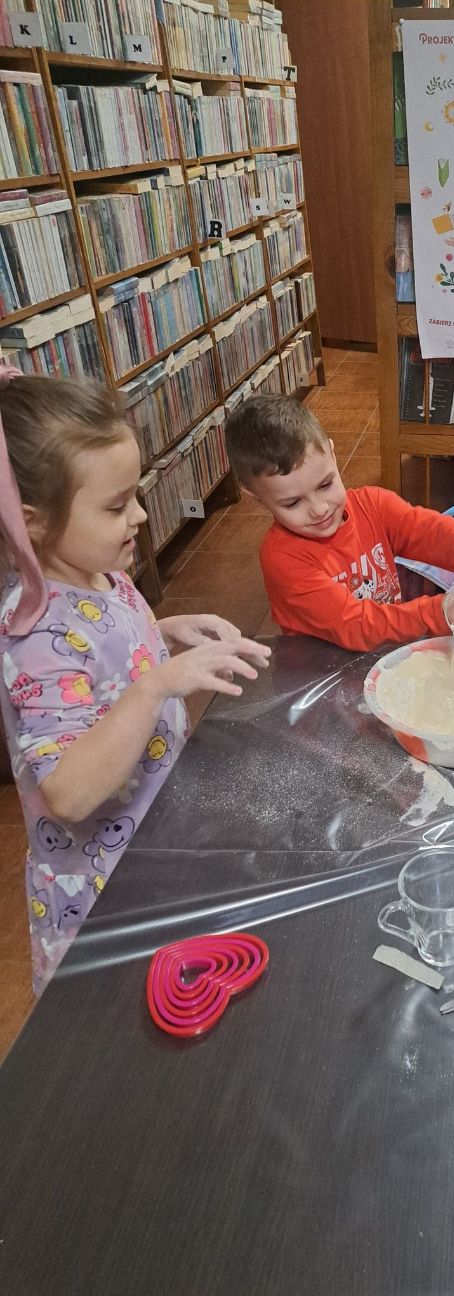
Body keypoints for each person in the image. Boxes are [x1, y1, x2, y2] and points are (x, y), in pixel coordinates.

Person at [0, 370, 271, 992]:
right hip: (100, 896)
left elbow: (109, 656)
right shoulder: (35, 636)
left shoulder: (102, 573)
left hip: (149, 854)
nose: (142, 516)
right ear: (33, 521)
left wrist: (166, 631)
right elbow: (67, 793)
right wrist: (156, 686)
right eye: (116, 506)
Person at [224, 394, 454, 650]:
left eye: (326, 484)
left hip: (384, 650)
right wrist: (438, 612)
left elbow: (422, 529)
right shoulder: (282, 558)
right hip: (320, 672)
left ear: (332, 454)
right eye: (293, 503)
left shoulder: (373, 504)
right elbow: (354, 624)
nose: (320, 509)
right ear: (256, 497)